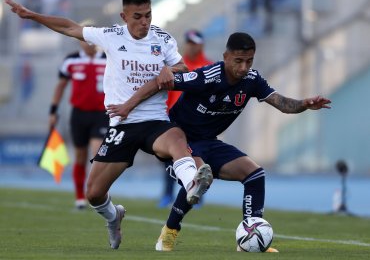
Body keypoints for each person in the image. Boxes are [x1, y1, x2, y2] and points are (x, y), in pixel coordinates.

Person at [5, 0, 213, 250]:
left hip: (155, 120)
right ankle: (114, 217)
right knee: (93, 193)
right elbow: (70, 27)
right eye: (137, 16)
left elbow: (182, 68)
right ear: (124, 16)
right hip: (121, 123)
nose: (145, 22)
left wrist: (170, 69)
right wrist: (32, 15)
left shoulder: (163, 38)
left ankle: (192, 182)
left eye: (148, 15)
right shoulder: (111, 35)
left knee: (176, 138)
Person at [106, 32, 332, 252]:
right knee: (200, 177)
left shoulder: (252, 80)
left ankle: (250, 237)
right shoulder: (207, 77)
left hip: (209, 142)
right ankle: (169, 233)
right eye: (238, 61)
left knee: (255, 175)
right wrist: (128, 106)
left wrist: (304, 103)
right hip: (178, 140)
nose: (244, 67)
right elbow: (159, 82)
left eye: (249, 61)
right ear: (226, 57)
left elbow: (281, 102)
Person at [49, 31, 108, 210]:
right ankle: (79, 197)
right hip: (79, 114)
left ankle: (97, 193)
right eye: (84, 41)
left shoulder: (107, 58)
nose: (87, 44)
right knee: (80, 156)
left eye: (90, 41)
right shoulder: (71, 60)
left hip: (101, 114)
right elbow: (60, 85)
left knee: (97, 155)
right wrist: (53, 110)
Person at [158, 29, 213, 208]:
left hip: (198, 121)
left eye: (195, 43)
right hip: (173, 119)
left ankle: (198, 195)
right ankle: (167, 194)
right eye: (189, 42)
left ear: (202, 44)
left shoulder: (208, 66)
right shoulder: (178, 65)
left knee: (197, 157)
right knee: (171, 160)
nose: (191, 46)